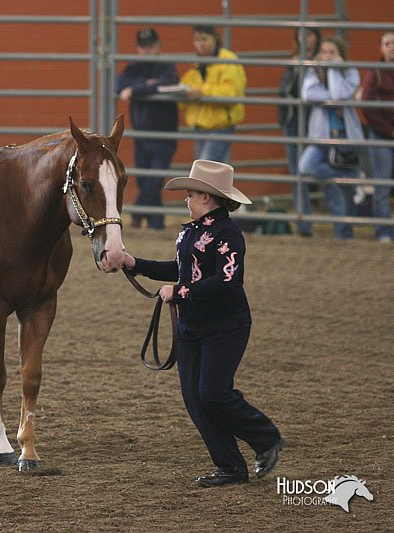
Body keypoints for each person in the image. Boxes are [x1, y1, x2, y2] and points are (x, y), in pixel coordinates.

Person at [123, 159, 285, 488]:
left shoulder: (227, 233)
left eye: (190, 195)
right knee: (196, 399)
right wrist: (134, 263)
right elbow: (180, 269)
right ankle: (230, 466)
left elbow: (228, 280)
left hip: (225, 326)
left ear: (207, 198)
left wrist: (180, 293)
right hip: (193, 327)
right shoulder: (191, 231)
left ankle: (266, 437)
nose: (186, 199)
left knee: (213, 393)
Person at [298, 36, 363, 240]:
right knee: (307, 166)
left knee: (346, 192)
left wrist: (334, 69)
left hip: (346, 137)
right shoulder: (314, 70)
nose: (327, 56)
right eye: (324, 52)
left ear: (341, 55)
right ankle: (339, 178)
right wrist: (333, 98)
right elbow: (308, 94)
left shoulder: (350, 71)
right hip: (321, 136)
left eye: (332, 52)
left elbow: (339, 92)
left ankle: (344, 236)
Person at [115, 27, 179, 230]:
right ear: (137, 49)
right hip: (142, 135)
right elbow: (119, 86)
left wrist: (136, 89)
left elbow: (168, 83)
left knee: (153, 180)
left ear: (159, 47)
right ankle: (156, 223)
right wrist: (149, 85)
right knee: (146, 181)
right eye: (143, 47)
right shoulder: (135, 66)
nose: (147, 50)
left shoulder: (166, 66)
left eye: (151, 46)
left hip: (163, 135)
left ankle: (136, 215)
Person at [180, 26, 247, 163]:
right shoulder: (198, 64)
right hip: (201, 126)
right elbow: (186, 86)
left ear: (215, 38)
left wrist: (202, 92)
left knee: (204, 170)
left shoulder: (228, 60)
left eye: (204, 39)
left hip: (220, 127)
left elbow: (231, 93)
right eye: (197, 40)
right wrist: (183, 93)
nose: (200, 44)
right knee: (208, 172)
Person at [278, 28, 322, 237]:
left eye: (310, 34)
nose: (306, 39)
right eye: (301, 35)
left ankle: (343, 224)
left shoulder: (324, 60)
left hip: (319, 125)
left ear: (317, 37)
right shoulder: (293, 62)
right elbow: (285, 91)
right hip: (294, 123)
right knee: (297, 175)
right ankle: (304, 225)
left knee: (327, 171)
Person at [359, 31, 394, 243]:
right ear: (381, 48)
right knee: (382, 184)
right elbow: (368, 104)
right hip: (381, 135)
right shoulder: (376, 72)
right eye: (387, 43)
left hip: (385, 132)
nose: (391, 47)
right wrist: (389, 130)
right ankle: (383, 232)